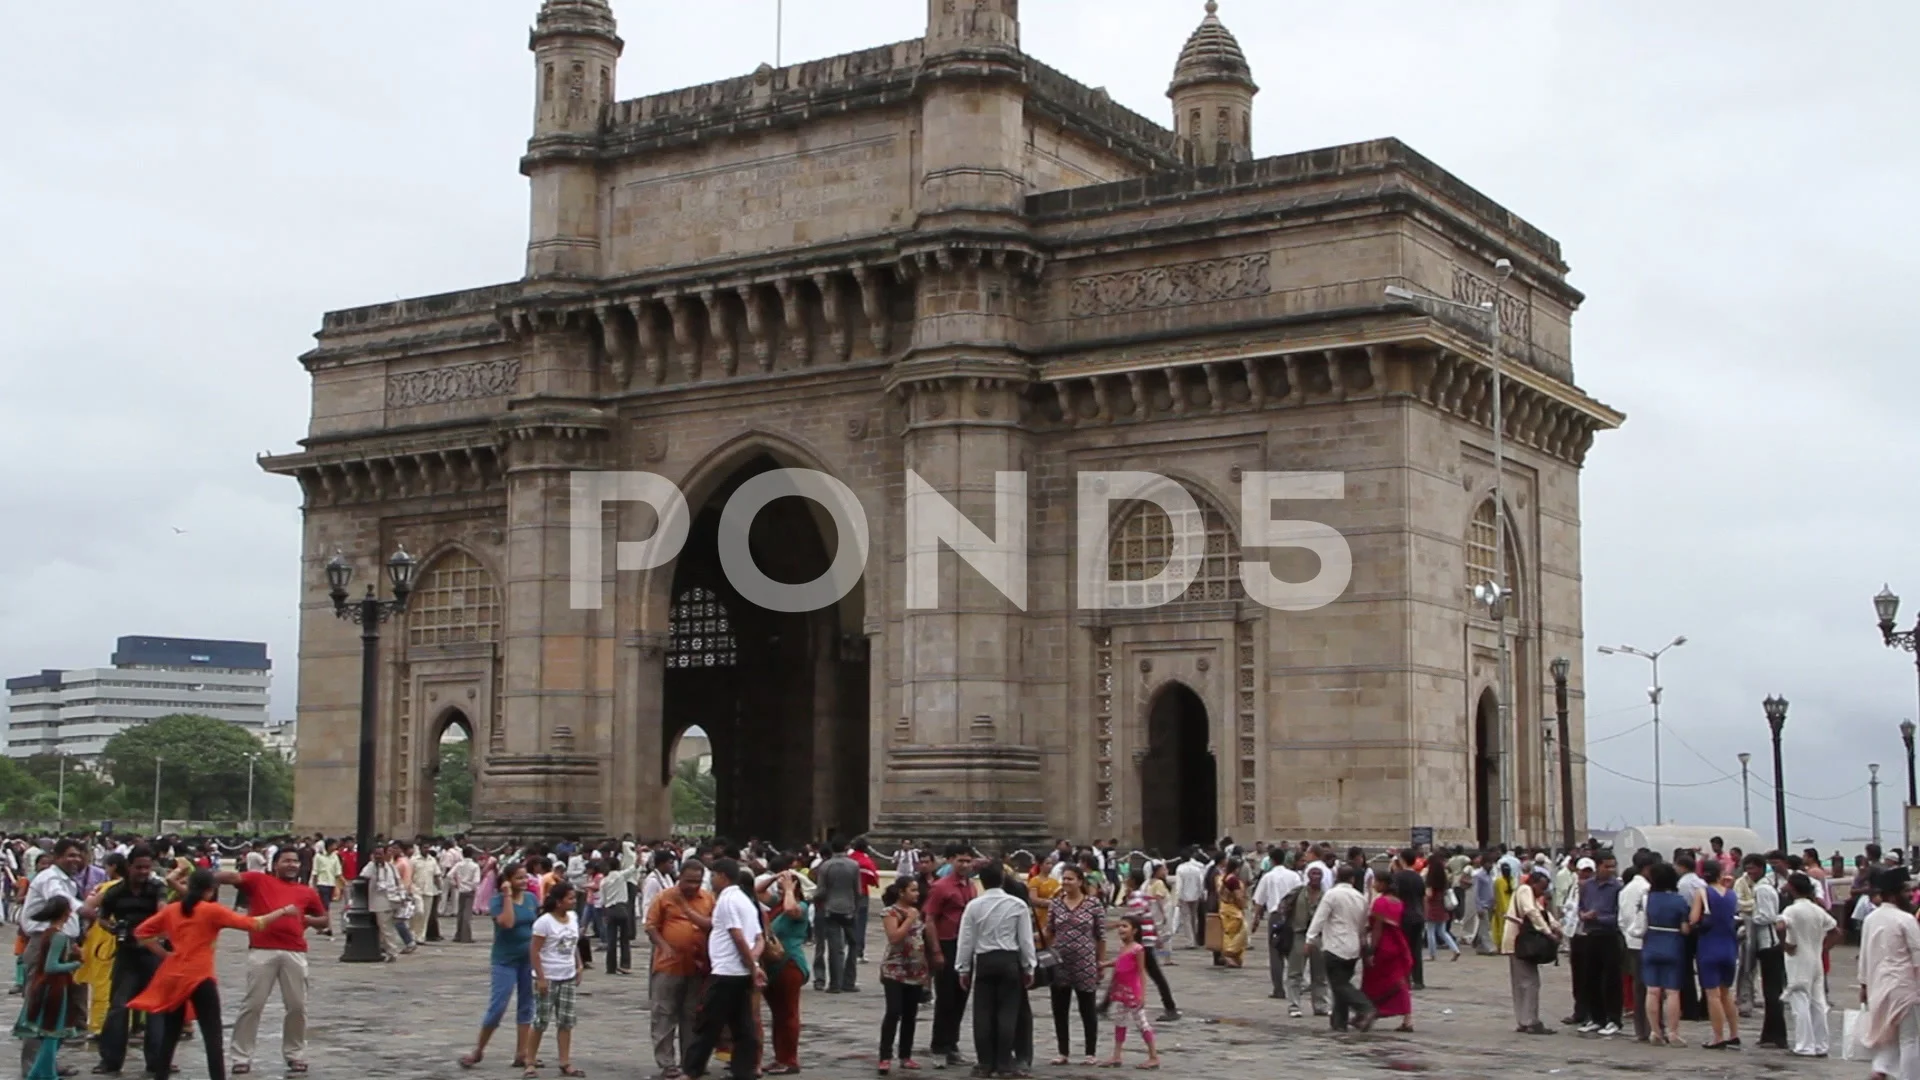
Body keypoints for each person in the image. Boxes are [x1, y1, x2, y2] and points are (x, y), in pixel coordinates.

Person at [129, 868, 303, 1080]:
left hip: (174, 976)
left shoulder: (173, 910)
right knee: (212, 1036)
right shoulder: (211, 911)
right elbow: (255, 924)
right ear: (210, 891)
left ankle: (161, 1076)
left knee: (170, 1034)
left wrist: (165, 954)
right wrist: (283, 911)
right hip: (201, 978)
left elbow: (141, 932)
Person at [213, 847, 330, 1075]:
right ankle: (241, 1056)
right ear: (275, 864)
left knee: (297, 1006)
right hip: (262, 950)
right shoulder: (259, 881)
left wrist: (303, 919)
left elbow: (324, 920)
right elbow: (233, 877)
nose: (292, 865)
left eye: (295, 861)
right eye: (286, 861)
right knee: (253, 1004)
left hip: (295, 952)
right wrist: (205, 876)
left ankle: (295, 1054)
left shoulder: (307, 892)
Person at [88, 845, 169, 1076]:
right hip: (126, 954)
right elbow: (102, 918)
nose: (144, 872)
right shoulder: (115, 892)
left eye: (147, 867)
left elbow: (163, 909)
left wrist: (154, 929)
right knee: (118, 1008)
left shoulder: (156, 888)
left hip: (151, 952)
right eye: (139, 867)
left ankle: (157, 1061)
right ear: (129, 867)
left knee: (155, 1009)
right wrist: (113, 928)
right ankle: (110, 1060)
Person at [682, 858, 763, 1080]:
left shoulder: (727, 900)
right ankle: (743, 1070)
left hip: (726, 971)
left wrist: (750, 964)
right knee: (742, 1025)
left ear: (722, 876)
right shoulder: (745, 900)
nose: (710, 881)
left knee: (708, 1024)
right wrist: (753, 963)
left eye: (713, 876)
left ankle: (691, 1071)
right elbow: (758, 938)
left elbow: (737, 936)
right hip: (740, 973)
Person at [953, 861, 1035, 1079]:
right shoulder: (1017, 905)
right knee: (1008, 1012)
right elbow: (1026, 941)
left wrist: (963, 968)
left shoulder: (973, 906)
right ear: (1002, 879)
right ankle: (1004, 1062)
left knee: (983, 1013)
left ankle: (985, 1062)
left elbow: (966, 940)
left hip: (985, 960)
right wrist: (1029, 966)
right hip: (1009, 959)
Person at [461, 863, 540, 1071]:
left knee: (527, 1005)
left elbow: (536, 926)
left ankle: (522, 1052)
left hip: (527, 959)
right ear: (507, 880)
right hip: (504, 960)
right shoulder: (497, 901)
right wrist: (506, 896)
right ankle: (478, 1049)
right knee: (498, 1005)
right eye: (519, 878)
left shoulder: (532, 899)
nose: (524, 882)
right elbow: (507, 923)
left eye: (525, 878)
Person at [647, 860, 713, 1078]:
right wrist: (664, 946)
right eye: (688, 881)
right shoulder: (665, 897)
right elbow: (651, 926)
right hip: (668, 967)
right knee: (664, 1014)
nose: (693, 886)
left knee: (692, 1016)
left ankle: (691, 1061)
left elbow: (713, 925)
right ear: (679, 878)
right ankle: (667, 1063)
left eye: (697, 881)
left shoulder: (707, 898)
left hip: (696, 966)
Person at [14, 895, 86, 1080]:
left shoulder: (47, 933)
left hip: (47, 986)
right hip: (55, 988)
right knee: (51, 1035)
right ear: (66, 913)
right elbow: (52, 966)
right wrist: (76, 964)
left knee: (49, 1035)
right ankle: (44, 1074)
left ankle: (42, 1072)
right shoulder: (59, 936)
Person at [1858, 867, 1920, 1077]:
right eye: (1906, 891)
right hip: (1905, 987)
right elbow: (1918, 956)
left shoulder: (1871, 919)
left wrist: (1863, 985)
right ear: (1893, 894)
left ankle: (1880, 1069)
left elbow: (1864, 955)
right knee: (1910, 1039)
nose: (1910, 895)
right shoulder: (1906, 920)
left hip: (1878, 986)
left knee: (1889, 1035)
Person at [1304, 863, 1375, 1033]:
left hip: (1335, 946)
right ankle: (1338, 1021)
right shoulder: (1360, 897)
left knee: (1339, 984)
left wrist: (1310, 939)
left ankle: (1364, 1007)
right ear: (1352, 879)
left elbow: (1319, 919)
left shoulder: (1332, 895)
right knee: (1340, 983)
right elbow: (1362, 924)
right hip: (1353, 946)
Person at [923, 845, 976, 1069]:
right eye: (960, 860)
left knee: (961, 997)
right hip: (946, 943)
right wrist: (935, 951)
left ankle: (952, 1043)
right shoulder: (940, 887)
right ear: (951, 860)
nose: (964, 865)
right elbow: (930, 919)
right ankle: (939, 1046)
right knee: (945, 998)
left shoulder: (971, 886)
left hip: (966, 945)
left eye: (968, 861)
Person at [1045, 865, 1104, 1065]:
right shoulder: (1055, 904)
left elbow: (1100, 936)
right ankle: (1063, 1051)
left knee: (1087, 1007)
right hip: (1060, 961)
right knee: (1059, 1008)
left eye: (1070, 879)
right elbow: (1049, 932)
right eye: (1064, 879)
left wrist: (1100, 962)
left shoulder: (1093, 905)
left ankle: (1090, 1052)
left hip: (1086, 961)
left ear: (1080, 881)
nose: (1066, 882)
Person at [1775, 872, 1837, 1057]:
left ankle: (1804, 1045)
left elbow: (1780, 926)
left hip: (1798, 960)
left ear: (1793, 888)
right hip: (1815, 959)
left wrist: (1784, 944)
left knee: (1800, 1001)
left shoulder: (1791, 911)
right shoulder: (1818, 910)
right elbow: (1836, 930)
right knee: (1818, 1002)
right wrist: (1824, 948)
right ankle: (1821, 1044)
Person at [526, 881, 584, 1079]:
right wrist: (541, 977)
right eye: (570, 898)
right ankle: (530, 1061)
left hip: (567, 975)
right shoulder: (544, 922)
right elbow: (534, 951)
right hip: (549, 975)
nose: (574, 902)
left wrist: (579, 964)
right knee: (541, 1020)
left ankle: (565, 1061)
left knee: (566, 1021)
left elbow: (573, 942)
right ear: (559, 902)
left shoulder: (573, 918)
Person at [878, 878, 934, 1075]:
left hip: (916, 969)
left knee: (911, 1014)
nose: (916, 894)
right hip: (895, 969)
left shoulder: (920, 913)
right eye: (912, 890)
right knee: (894, 1011)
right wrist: (909, 919)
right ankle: (885, 1056)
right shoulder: (890, 912)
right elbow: (894, 937)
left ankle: (905, 1055)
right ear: (901, 892)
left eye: (917, 890)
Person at [761, 861, 810, 1076]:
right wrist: (775, 878)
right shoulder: (776, 904)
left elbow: (791, 908)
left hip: (789, 963)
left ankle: (789, 1059)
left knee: (788, 1013)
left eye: (785, 888)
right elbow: (756, 891)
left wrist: (790, 889)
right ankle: (779, 1057)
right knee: (777, 1014)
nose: (780, 891)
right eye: (780, 888)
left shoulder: (802, 907)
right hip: (772, 964)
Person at [1688, 858, 1740, 1049]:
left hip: (1709, 946)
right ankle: (1734, 1033)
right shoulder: (1731, 895)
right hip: (1729, 946)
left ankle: (1718, 1036)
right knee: (1727, 993)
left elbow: (1693, 919)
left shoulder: (1701, 893)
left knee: (1713, 995)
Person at [1571, 851, 1623, 1036]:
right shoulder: (1588, 886)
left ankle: (1614, 1019)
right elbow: (1581, 907)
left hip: (1609, 935)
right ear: (1598, 866)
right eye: (1606, 866)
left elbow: (1619, 916)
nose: (1610, 870)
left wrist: (1599, 917)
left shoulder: (1617, 887)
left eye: (1612, 866)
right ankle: (1596, 1017)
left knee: (1611, 980)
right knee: (1590, 978)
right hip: (1590, 934)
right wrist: (1584, 915)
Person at [1503, 868, 1557, 1036]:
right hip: (1522, 941)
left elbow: (1543, 913)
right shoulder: (1525, 890)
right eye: (1542, 887)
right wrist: (1548, 932)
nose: (1543, 891)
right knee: (1530, 982)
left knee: (1520, 983)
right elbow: (1532, 912)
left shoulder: (1528, 894)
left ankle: (1523, 1019)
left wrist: (1555, 926)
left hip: (1515, 941)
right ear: (1533, 884)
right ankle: (1530, 1020)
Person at [1099, 917, 1160, 1070]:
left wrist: (1142, 995)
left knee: (1141, 1023)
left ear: (1134, 930)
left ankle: (1153, 1056)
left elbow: (1141, 972)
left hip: (1133, 992)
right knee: (1120, 1022)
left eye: (1125, 926)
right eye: (1119, 926)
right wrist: (1105, 964)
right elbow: (1119, 961)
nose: (1121, 929)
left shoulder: (1138, 949)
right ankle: (1117, 1055)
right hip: (1121, 991)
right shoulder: (1124, 947)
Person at [1361, 867, 1414, 1033]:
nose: (1374, 884)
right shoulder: (1398, 902)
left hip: (1384, 945)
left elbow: (1377, 928)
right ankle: (1407, 1018)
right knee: (1400, 981)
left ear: (1383, 884)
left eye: (1376, 881)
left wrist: (1371, 950)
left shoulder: (1380, 902)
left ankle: (1371, 1011)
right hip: (1398, 944)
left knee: (1375, 981)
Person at [310, 841, 342, 936]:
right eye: (333, 845)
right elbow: (315, 872)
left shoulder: (335, 856)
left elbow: (337, 872)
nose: (335, 847)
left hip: (331, 883)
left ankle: (321, 926)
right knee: (325, 906)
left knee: (324, 906)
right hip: (322, 883)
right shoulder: (319, 857)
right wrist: (314, 886)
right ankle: (328, 926)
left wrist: (340, 884)